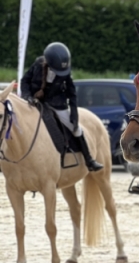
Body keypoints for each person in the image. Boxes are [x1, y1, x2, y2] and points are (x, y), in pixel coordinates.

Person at [20, 42, 103, 172]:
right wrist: (27, 96)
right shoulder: (37, 64)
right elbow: (25, 81)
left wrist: (74, 116)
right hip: (34, 102)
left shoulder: (64, 72)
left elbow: (72, 94)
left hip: (56, 105)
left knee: (76, 130)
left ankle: (89, 160)